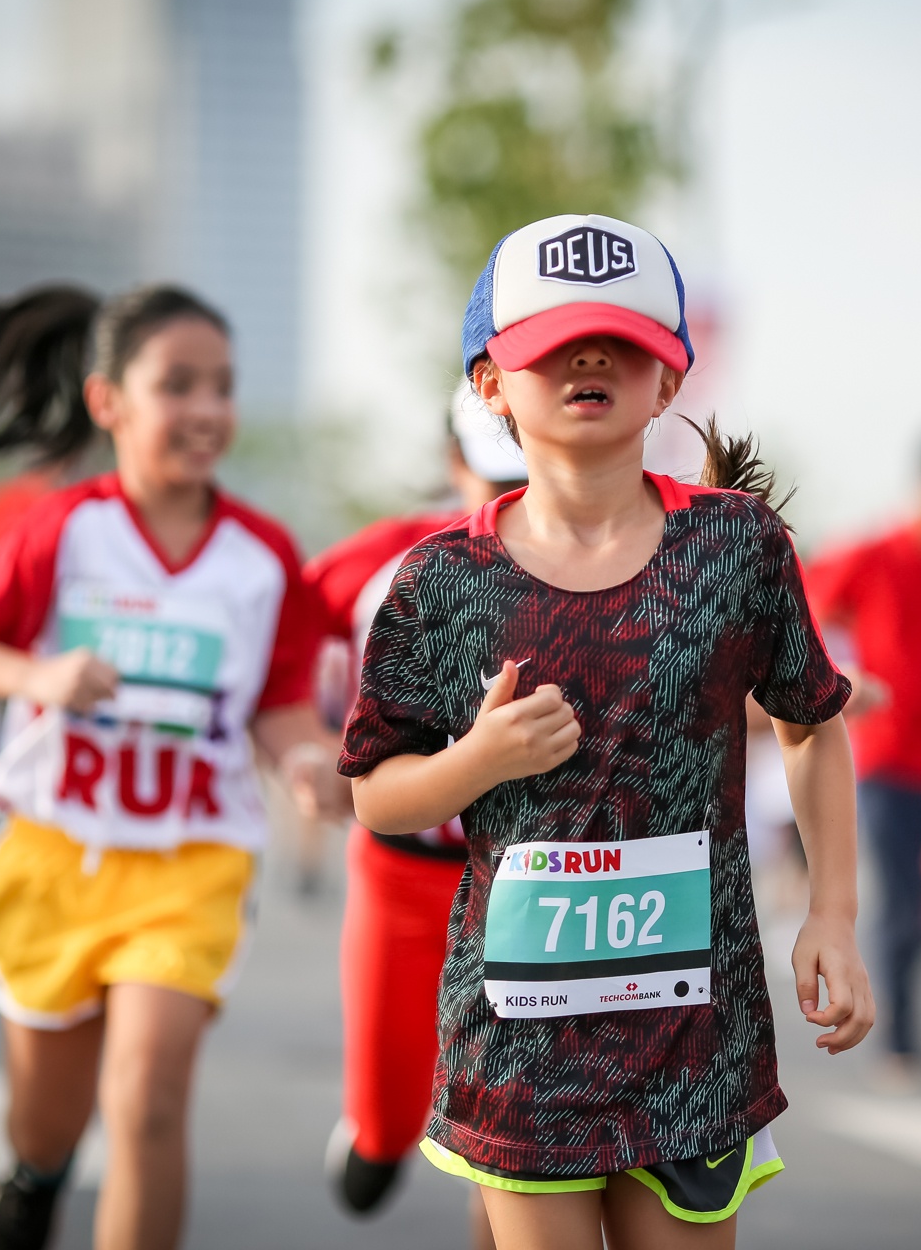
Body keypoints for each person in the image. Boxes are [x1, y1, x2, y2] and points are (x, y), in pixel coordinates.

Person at [341, 213, 872, 1249]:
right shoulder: (443, 582)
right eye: (553, 342)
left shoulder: (737, 545)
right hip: (519, 1032)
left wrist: (834, 914)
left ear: (670, 377)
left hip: (693, 1030)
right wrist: (476, 761)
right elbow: (374, 789)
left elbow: (812, 725)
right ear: (491, 382)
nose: (592, 357)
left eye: (624, 338)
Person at [0, 283, 326, 1250]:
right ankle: (34, 1173)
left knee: (149, 1101)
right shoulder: (61, 529)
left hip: (193, 864)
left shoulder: (263, 557)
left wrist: (312, 766)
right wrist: (38, 669)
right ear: (108, 400)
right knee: (46, 1118)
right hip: (53, 858)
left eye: (224, 387)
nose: (207, 410)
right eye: (179, 384)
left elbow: (278, 706)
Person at [306, 397, 525, 1245]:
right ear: (452, 461)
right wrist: (316, 749)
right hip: (404, 875)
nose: (511, 499)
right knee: (390, 1120)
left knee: (514, 1141)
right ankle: (378, 1133)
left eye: (526, 476)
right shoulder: (381, 558)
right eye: (495, 477)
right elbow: (279, 648)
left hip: (532, 885)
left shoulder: (618, 554)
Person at [806, 433, 921, 1075]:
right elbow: (798, 606)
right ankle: (901, 1043)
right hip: (885, 760)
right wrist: (836, 676)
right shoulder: (876, 551)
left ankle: (907, 1030)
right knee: (902, 901)